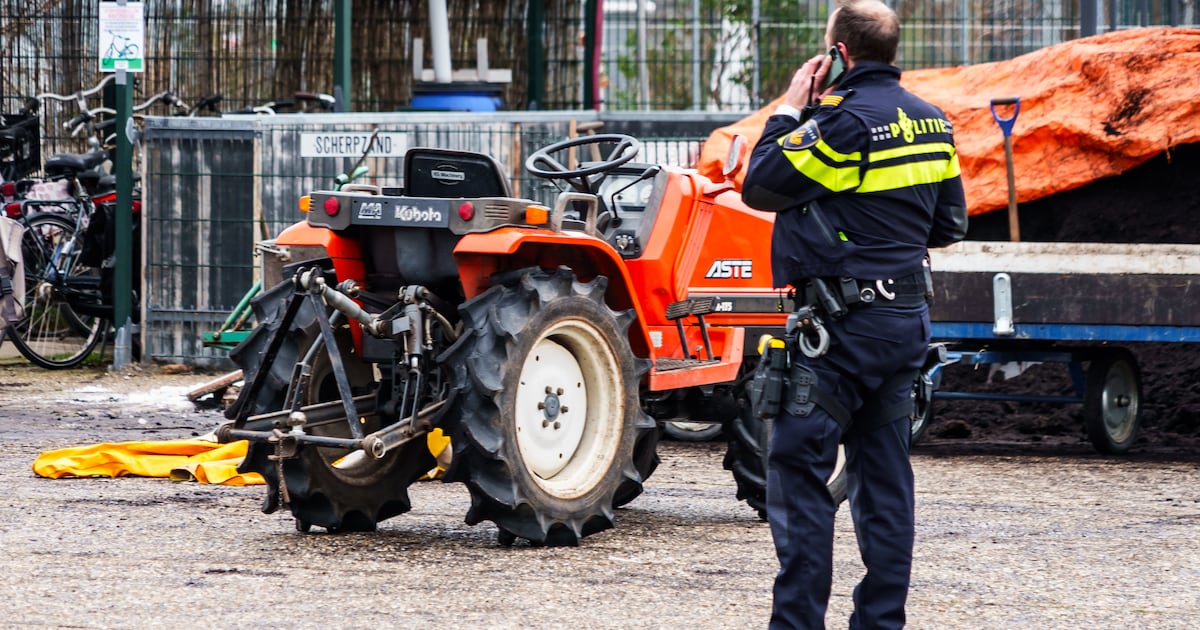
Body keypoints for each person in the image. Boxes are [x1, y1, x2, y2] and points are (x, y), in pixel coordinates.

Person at [740, 1, 968, 628]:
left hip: (837, 335)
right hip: (904, 326)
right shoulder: (932, 122)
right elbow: (949, 224)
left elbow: (760, 183)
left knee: (800, 475)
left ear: (839, 52)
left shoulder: (840, 124)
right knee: (886, 481)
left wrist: (791, 106)